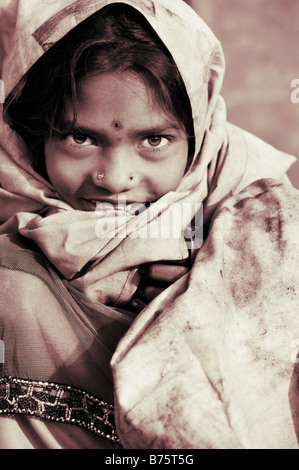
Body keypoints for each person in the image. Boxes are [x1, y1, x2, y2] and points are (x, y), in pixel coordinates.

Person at [0, 0, 298, 449]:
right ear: (34, 136)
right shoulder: (11, 281)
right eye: (80, 137)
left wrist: (212, 299)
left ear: (197, 138)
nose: (116, 178)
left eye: (154, 139)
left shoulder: (269, 233)